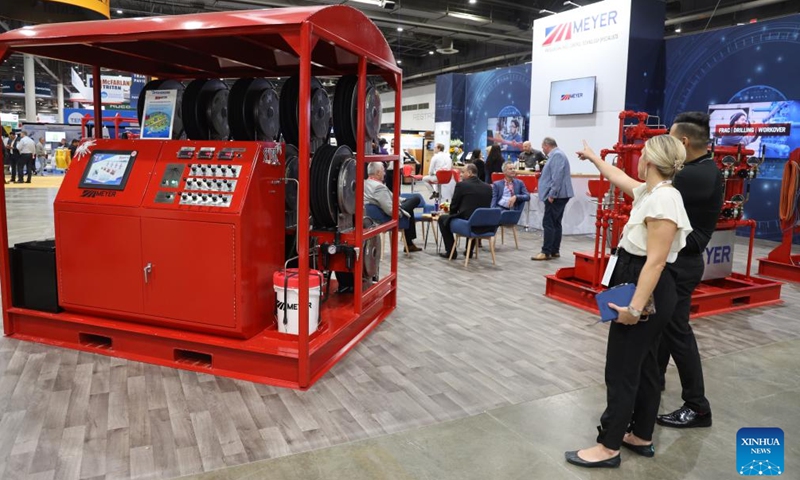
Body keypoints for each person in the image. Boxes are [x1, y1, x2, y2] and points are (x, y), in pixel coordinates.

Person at [566, 136, 692, 469]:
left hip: (645, 287)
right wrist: (594, 158)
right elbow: (619, 178)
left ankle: (608, 446)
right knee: (647, 366)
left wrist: (635, 309)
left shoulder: (665, 200)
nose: (635, 162)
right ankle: (641, 434)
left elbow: (656, 262)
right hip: (640, 282)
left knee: (621, 368)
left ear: (648, 161)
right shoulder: (651, 192)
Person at [656, 112, 722, 429]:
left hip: (681, 263)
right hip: (681, 260)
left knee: (677, 333)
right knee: (664, 328)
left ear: (683, 142)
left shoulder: (690, 177)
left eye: (669, 138)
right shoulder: (703, 169)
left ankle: (697, 406)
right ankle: (654, 382)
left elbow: (648, 193)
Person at [437, 163, 492, 260]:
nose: (461, 174)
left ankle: (451, 252)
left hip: (467, 223)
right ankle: (469, 251)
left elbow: (454, 205)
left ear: (470, 173)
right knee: (473, 217)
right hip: (484, 224)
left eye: (462, 172)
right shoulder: (488, 187)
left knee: (442, 219)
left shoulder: (462, 185)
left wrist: (450, 216)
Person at [364, 162, 421, 252]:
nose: (385, 173)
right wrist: (400, 209)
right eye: (383, 171)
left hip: (373, 216)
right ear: (378, 173)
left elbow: (391, 197)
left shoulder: (366, 183)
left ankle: (409, 244)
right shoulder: (379, 187)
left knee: (409, 207)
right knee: (416, 199)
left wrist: (402, 201)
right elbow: (391, 210)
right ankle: (409, 244)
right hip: (387, 218)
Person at [532, 137, 573, 260]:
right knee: (555, 223)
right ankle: (554, 250)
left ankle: (546, 252)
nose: (542, 149)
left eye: (543, 147)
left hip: (556, 196)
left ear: (546, 145)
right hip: (559, 195)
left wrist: (552, 194)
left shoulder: (557, 155)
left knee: (549, 223)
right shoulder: (557, 155)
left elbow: (557, 177)